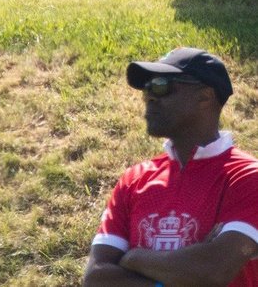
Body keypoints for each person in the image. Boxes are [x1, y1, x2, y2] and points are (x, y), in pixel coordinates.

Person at [82, 47, 258, 286]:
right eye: (147, 89)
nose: (150, 96)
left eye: (161, 85)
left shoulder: (247, 177)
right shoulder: (134, 180)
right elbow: (96, 277)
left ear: (205, 96)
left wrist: (134, 258)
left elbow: (213, 271)